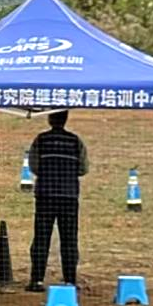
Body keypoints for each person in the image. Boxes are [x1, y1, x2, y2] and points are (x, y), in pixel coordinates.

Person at [27, 110, 89, 292]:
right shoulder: (75, 141)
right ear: (66, 119)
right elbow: (83, 168)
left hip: (45, 195)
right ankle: (70, 279)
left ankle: (37, 280)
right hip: (69, 196)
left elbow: (34, 166)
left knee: (41, 238)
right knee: (69, 239)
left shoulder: (41, 140)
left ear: (49, 118)